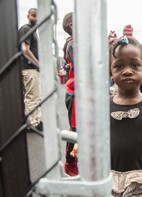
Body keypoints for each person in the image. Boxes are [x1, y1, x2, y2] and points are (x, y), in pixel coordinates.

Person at [109, 36, 142, 197]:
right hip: (110, 181)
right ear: (111, 72)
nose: (127, 71)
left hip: (141, 182)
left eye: (134, 65)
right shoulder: (103, 105)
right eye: (119, 66)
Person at [18, 8, 43, 131]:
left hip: (32, 68)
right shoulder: (26, 28)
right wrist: (38, 64)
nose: (36, 18)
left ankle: (36, 120)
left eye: (38, 16)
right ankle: (32, 124)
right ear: (28, 16)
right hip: (29, 68)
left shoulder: (33, 31)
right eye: (33, 16)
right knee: (32, 97)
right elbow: (25, 49)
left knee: (36, 96)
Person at [62, 12, 78, 176]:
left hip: (81, 92)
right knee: (75, 130)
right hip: (76, 94)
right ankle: (70, 163)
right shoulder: (73, 44)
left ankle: (78, 159)